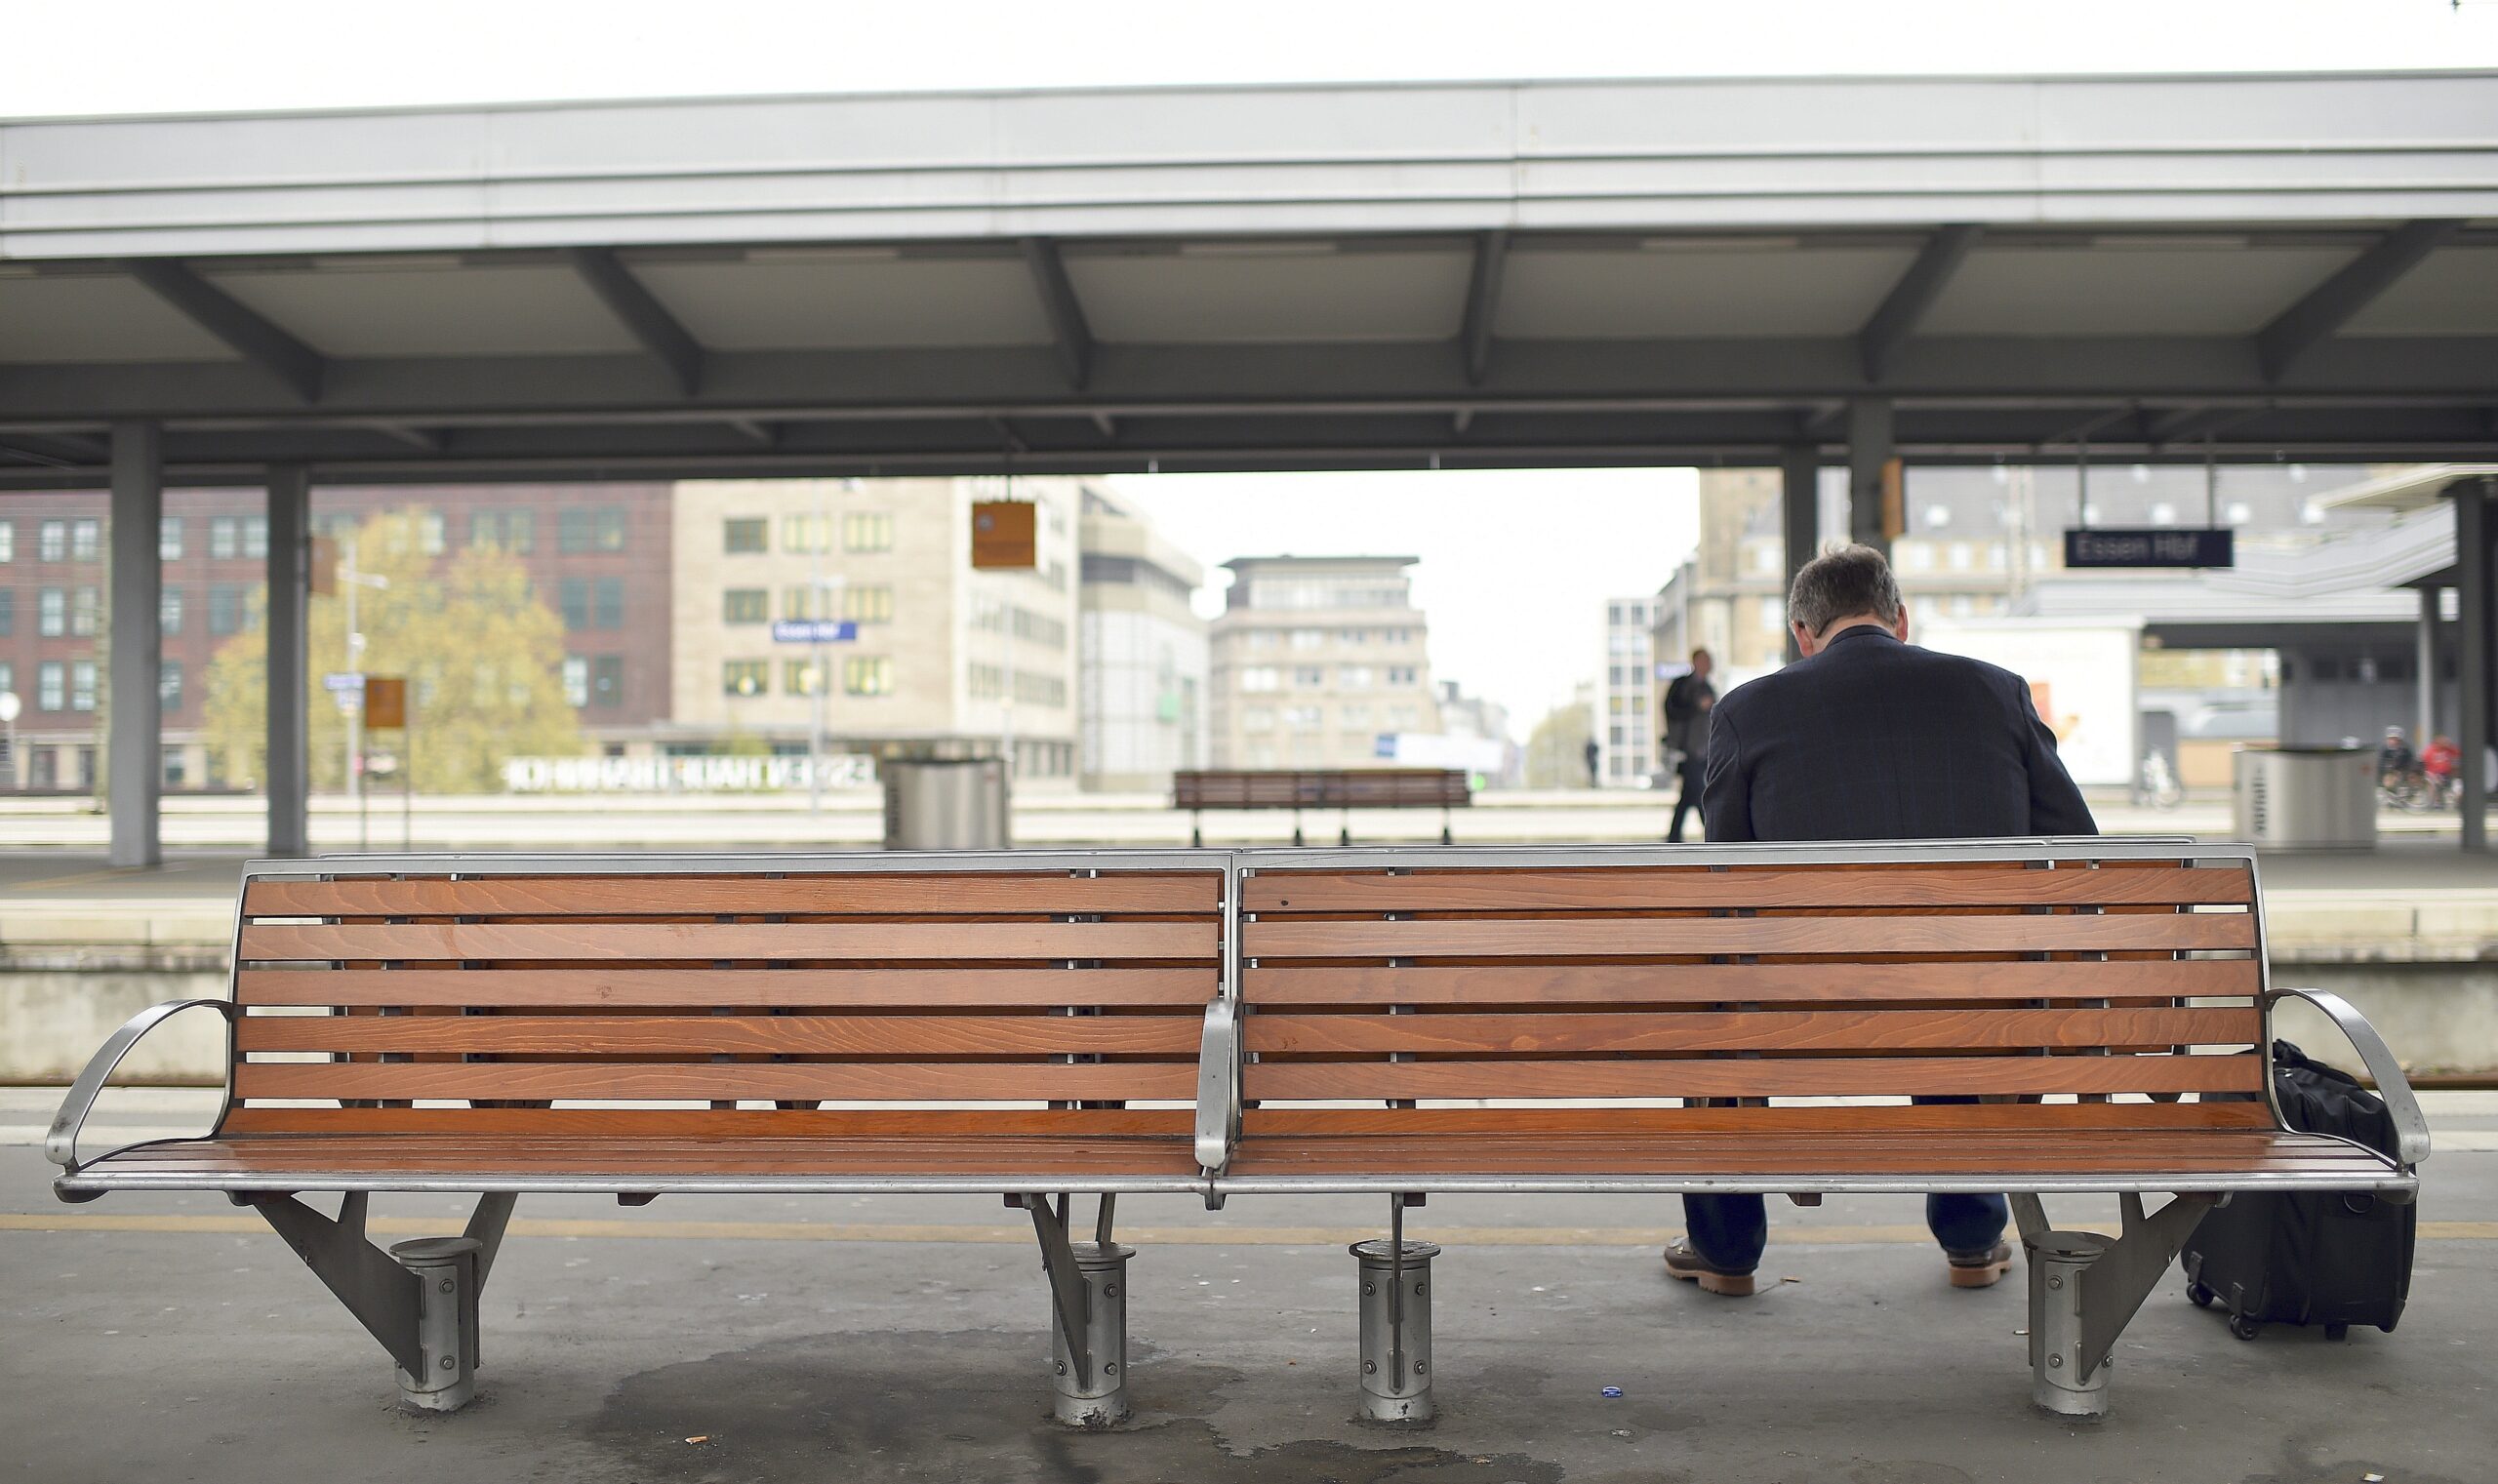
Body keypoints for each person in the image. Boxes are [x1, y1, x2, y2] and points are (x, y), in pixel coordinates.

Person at [1662, 543, 2096, 1299]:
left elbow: (1723, 884)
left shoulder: (1748, 710)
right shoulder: (1996, 692)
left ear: (1804, 630)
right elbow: (2079, 847)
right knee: (1959, 989)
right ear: (1901, 618)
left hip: (1804, 1019)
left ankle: (1727, 1251)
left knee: (1716, 1003)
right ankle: (1970, 1234)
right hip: (1975, 1008)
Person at [1661, 649, 1716, 842]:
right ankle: (1713, 833)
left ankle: (1674, 837)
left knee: (1688, 796)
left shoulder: (1708, 687)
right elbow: (1672, 710)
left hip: (1702, 750)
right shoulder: (1682, 685)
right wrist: (1695, 706)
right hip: (1687, 749)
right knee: (1699, 792)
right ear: (1696, 662)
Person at [2378, 727, 2417, 791]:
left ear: (2399, 740)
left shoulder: (2406, 750)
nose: (2391, 741)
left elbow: (2411, 764)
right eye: (2390, 739)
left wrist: (2401, 772)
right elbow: (2381, 764)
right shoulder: (2384, 750)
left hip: (2403, 774)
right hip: (2388, 774)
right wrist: (2387, 772)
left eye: (2394, 739)